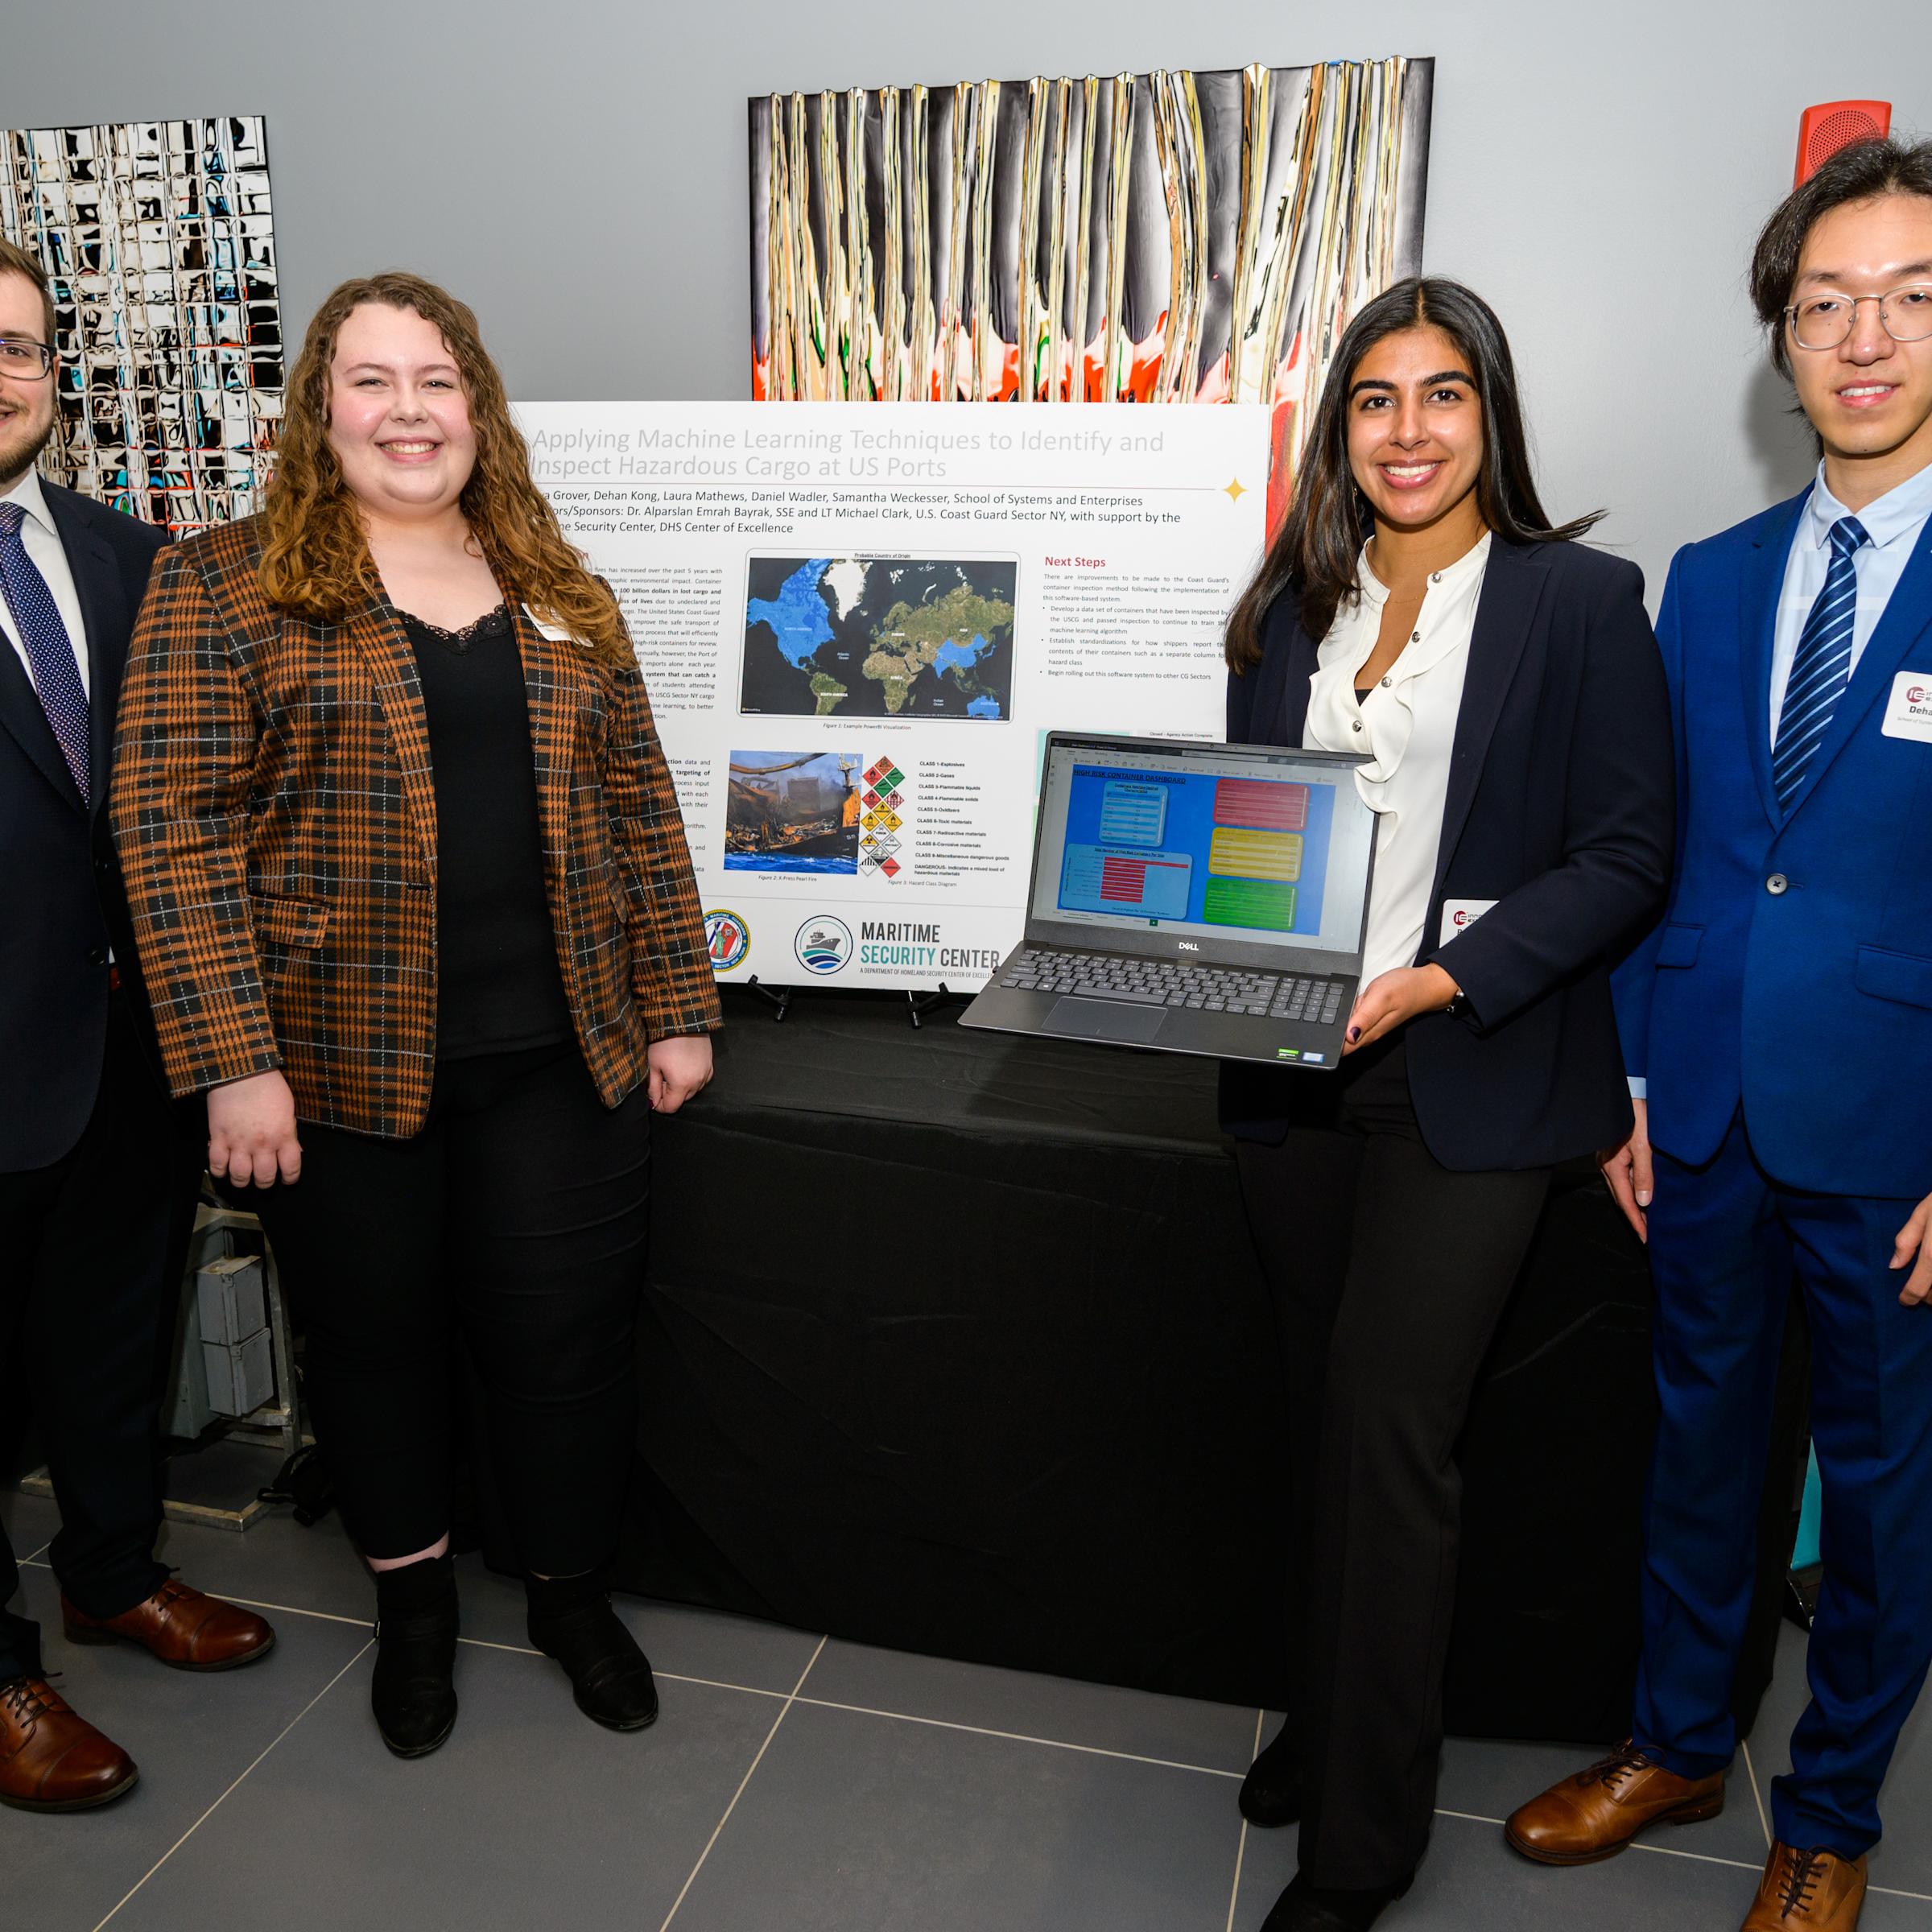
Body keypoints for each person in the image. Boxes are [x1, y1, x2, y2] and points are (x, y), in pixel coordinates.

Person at [110, 271, 720, 1759]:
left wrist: (677, 1004)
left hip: (560, 1059)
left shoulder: (560, 585)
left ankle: (572, 1597)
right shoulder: (228, 585)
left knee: (568, 1344)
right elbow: (170, 831)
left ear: (476, 408)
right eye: (371, 381)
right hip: (330, 1071)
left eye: (434, 380)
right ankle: (417, 1612)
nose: (406, 410)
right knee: (374, 1348)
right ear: (323, 409)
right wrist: (233, 1064)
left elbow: (639, 804)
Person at [1507, 137, 1932, 1932]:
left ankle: (1829, 1818)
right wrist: (1623, 1068)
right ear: (1780, 339)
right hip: (1697, 1108)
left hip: (1895, 1136)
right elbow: (1670, 851)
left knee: (1890, 1491)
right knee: (1695, 1447)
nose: (1866, 337)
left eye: (1913, 299)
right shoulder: (1713, 571)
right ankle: (1678, 1743)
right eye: (1825, 301)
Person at [1220, 275, 1674, 1930]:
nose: (1407, 432)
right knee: (1318, 1423)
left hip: (1469, 1076)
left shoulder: (1578, 602)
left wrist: (1440, 982)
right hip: (1288, 1082)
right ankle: (1333, 1716)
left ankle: (1361, 1846)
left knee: (1394, 1436)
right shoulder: (1287, 608)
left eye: (1443, 397)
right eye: (1375, 400)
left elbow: (1631, 855)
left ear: (1491, 417)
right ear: (1341, 426)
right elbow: (1245, 839)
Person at [0, 239, 273, 1813]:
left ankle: (112, 1569)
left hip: (125, 1046)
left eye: (26, 347)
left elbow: (184, 799)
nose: (4, 371)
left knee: (110, 1337)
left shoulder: (128, 558)